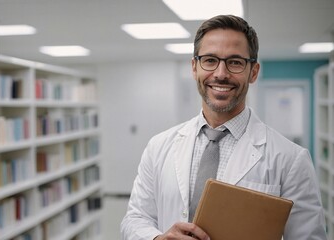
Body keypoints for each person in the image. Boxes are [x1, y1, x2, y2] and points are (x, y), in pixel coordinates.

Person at [120, 15, 327, 240]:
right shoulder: (158, 146)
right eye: (210, 60)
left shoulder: (290, 159)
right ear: (194, 67)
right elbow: (135, 218)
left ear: (253, 72)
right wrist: (157, 238)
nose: (220, 73)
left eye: (235, 62)